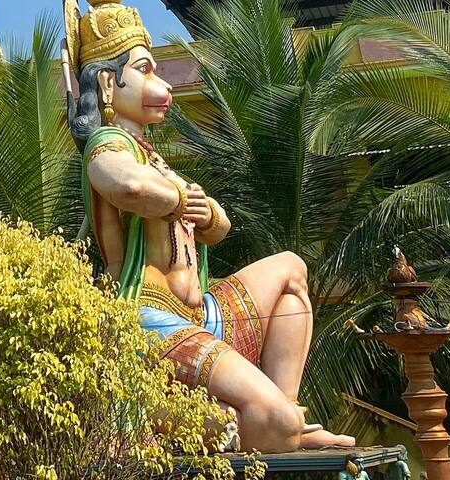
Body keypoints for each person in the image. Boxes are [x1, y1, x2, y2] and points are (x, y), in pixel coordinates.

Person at [63, 0, 356, 452]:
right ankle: (270, 427)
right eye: (144, 70)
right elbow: (129, 189)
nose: (161, 86)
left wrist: (206, 212)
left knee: (291, 269)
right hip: (152, 322)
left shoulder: (153, 156)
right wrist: (181, 198)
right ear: (106, 82)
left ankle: (285, 409)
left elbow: (219, 227)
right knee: (270, 423)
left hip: (203, 315)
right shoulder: (107, 145)